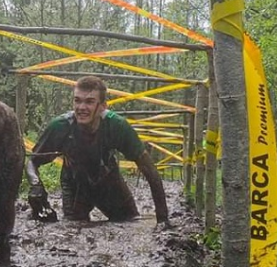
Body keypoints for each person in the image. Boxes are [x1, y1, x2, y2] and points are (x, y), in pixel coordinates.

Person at [26, 75, 171, 226]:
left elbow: (149, 169)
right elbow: (32, 162)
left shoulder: (117, 126)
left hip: (109, 181)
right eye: (77, 100)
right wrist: (36, 186)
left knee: (130, 223)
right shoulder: (60, 126)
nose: (81, 107)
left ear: (102, 106)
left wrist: (162, 219)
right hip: (75, 183)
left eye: (89, 102)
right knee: (73, 229)